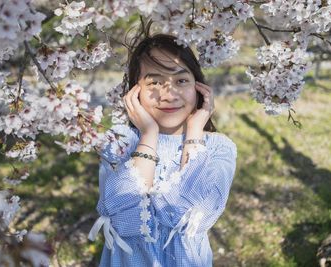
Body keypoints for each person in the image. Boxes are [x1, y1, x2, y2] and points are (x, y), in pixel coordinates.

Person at [88, 33, 237, 267]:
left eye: (181, 81)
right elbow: (124, 221)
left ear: (198, 87)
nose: (168, 95)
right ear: (134, 91)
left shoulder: (218, 148)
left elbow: (187, 217)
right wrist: (149, 135)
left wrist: (194, 132)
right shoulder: (119, 141)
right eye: (155, 82)